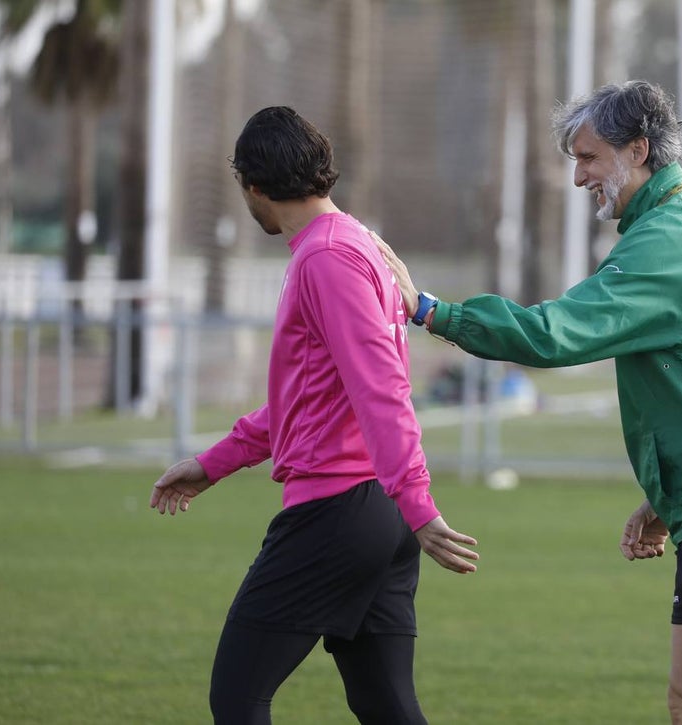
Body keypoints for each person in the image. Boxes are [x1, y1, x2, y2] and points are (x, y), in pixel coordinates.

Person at [377, 81, 682, 725]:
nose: (578, 178)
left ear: (638, 150)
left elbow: (551, 334)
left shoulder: (668, 241)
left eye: (588, 157)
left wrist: (431, 311)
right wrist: (669, 489)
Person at [147, 106, 479, 725]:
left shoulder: (326, 257)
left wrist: (418, 501)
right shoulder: (352, 243)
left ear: (252, 186)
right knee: (385, 704)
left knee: (238, 696)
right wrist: (214, 463)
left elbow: (381, 388)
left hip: (339, 509)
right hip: (377, 514)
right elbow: (309, 399)